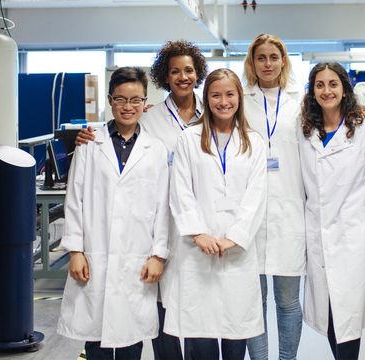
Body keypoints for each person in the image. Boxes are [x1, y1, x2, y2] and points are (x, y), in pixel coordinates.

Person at [75, 40, 208, 360]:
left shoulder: (213, 115)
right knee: (156, 310)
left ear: (198, 73)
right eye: (175, 71)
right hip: (155, 229)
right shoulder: (149, 119)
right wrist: (87, 136)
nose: (182, 77)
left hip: (202, 223)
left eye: (188, 70)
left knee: (200, 308)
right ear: (165, 76)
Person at [57, 66, 170, 359]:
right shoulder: (90, 144)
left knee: (132, 336)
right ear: (110, 100)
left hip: (138, 255)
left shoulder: (154, 149)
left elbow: (162, 207)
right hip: (96, 253)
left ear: (145, 103)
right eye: (121, 99)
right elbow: (75, 200)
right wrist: (75, 250)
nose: (128, 107)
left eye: (135, 100)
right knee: (96, 337)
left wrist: (158, 255)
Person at [165, 68, 267, 360]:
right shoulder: (188, 139)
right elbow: (180, 190)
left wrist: (233, 237)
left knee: (235, 335)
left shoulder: (254, 142)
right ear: (206, 98)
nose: (223, 101)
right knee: (202, 338)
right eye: (216, 95)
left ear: (239, 98)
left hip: (236, 252)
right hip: (198, 251)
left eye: (230, 94)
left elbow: (256, 195)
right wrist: (198, 233)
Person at [298, 62, 365, 360]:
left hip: (352, 235)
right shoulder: (304, 130)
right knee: (331, 312)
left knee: (348, 313)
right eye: (319, 85)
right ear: (312, 91)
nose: (326, 90)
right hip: (318, 233)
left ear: (344, 88)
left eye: (333, 84)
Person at [242, 33, 305, 360]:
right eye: (260, 57)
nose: (267, 63)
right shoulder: (240, 98)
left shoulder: (300, 99)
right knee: (255, 302)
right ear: (252, 63)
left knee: (288, 301)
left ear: (283, 60)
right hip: (250, 212)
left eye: (273, 57)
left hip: (289, 209)